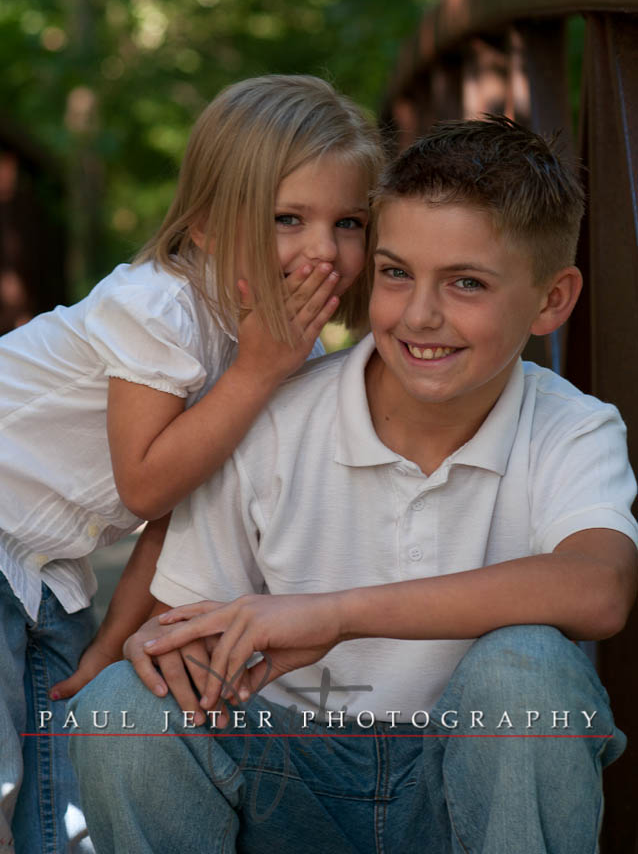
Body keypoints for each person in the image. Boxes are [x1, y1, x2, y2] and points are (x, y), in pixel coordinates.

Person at [70, 116, 638, 853]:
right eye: (396, 272)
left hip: (464, 780)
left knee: (527, 675)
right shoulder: (272, 417)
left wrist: (333, 615)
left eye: (466, 282)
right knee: (128, 702)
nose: (420, 315)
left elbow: (598, 589)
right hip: (285, 778)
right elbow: (187, 623)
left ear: (552, 300)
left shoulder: (571, 426)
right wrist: (166, 644)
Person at [0, 74, 383, 854]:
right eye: (287, 219)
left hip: (49, 568)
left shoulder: (281, 349)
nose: (324, 249)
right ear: (207, 225)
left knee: (61, 807)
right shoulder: (160, 306)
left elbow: (181, 509)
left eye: (349, 222)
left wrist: (112, 643)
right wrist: (254, 374)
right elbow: (146, 480)